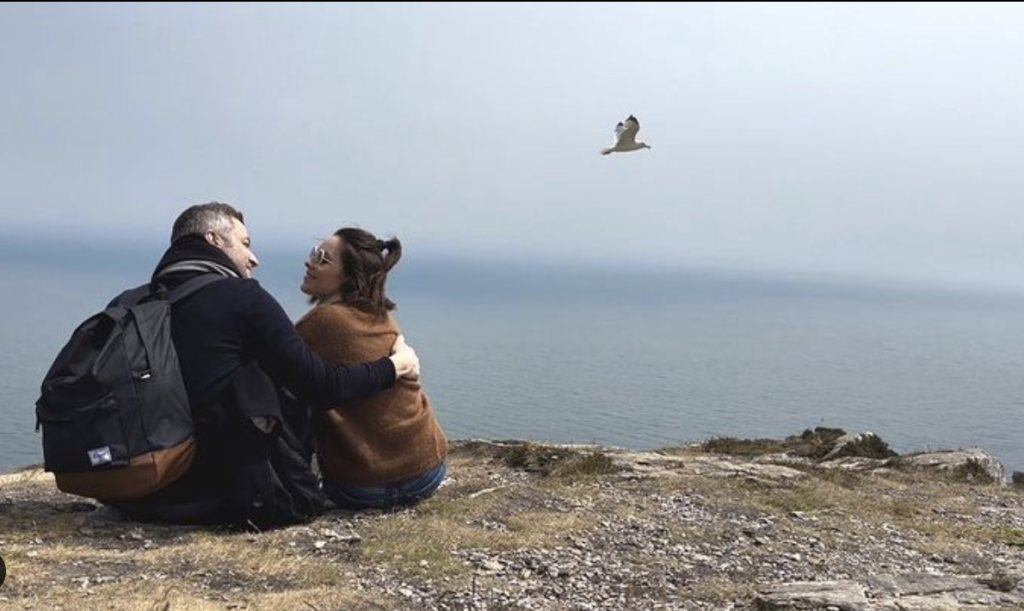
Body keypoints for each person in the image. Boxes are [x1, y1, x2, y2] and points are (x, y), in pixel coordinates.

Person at [112, 202, 421, 526]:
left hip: (137, 489)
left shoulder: (130, 303)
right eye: (245, 244)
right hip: (221, 494)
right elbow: (321, 385)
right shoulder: (244, 298)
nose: (254, 259)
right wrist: (396, 366)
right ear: (214, 240)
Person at [296, 227, 449, 510]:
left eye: (322, 259)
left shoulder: (317, 324)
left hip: (360, 487)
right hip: (428, 472)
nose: (310, 262)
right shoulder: (381, 316)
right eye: (313, 254)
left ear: (349, 277)